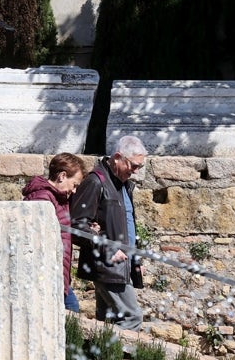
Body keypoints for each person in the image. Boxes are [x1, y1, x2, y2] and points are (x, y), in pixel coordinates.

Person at [70, 135, 147, 330]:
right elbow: (76, 225)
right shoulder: (95, 182)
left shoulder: (123, 185)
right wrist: (108, 248)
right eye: (134, 165)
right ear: (118, 157)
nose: (136, 172)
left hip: (120, 266)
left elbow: (126, 226)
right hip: (108, 265)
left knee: (107, 321)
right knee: (132, 317)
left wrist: (134, 259)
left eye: (140, 167)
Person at [23, 153, 85, 312]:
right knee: (71, 310)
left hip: (57, 272)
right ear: (62, 176)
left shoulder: (58, 198)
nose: (75, 190)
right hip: (46, 273)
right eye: (75, 184)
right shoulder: (43, 198)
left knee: (70, 311)